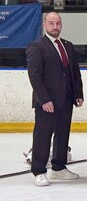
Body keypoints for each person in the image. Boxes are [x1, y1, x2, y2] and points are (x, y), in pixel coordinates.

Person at [26, 12, 84, 187]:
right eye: (51, 23)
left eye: (58, 23)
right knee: (43, 135)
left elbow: (74, 72)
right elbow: (35, 76)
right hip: (47, 101)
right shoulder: (37, 46)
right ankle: (39, 171)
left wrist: (78, 94)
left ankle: (59, 167)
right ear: (44, 25)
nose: (55, 26)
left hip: (66, 99)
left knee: (62, 133)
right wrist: (44, 99)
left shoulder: (68, 45)